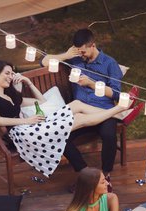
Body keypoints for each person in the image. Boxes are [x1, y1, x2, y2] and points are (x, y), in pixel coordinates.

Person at [0, 60, 127, 178]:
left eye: (12, 73)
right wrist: (27, 120)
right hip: (22, 134)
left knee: (76, 105)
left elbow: (42, 101)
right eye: (7, 73)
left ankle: (118, 113)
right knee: (79, 120)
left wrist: (28, 83)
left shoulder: (10, 94)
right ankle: (119, 111)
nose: (10, 77)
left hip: (32, 127)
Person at [42, 28, 125, 184]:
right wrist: (67, 55)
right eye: (78, 52)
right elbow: (44, 61)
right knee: (60, 136)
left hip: (102, 111)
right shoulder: (76, 59)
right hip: (81, 116)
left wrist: (91, 84)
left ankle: (106, 173)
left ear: (92, 45)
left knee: (109, 136)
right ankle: (85, 172)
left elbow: (116, 94)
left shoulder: (109, 63)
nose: (82, 55)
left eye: (84, 52)